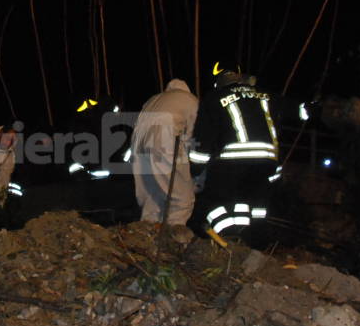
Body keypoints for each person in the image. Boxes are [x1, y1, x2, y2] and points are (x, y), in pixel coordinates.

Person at [189, 64, 307, 238]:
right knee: (256, 205)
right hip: (267, 162)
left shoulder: (214, 98)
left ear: (218, 82)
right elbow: (300, 111)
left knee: (221, 204)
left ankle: (229, 241)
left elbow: (204, 137)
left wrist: (194, 170)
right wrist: (318, 106)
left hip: (232, 163)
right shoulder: (266, 95)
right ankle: (255, 242)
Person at [130, 79, 198, 225]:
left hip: (138, 145)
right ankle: (173, 239)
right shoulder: (190, 100)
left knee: (152, 198)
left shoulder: (154, 99)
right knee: (182, 199)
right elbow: (192, 136)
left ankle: (147, 236)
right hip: (163, 142)